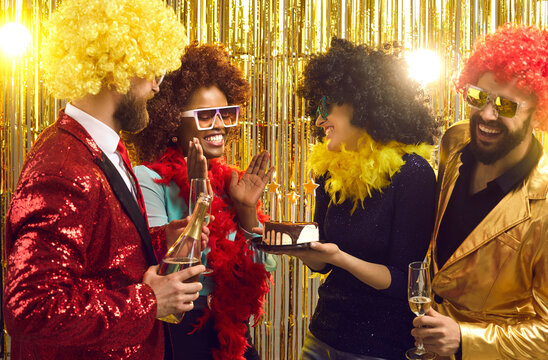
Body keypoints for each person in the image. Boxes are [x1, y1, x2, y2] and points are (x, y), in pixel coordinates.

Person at [3, 1, 207, 359]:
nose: (157, 87)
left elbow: (103, 257)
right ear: (117, 70)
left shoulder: (102, 147)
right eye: (152, 72)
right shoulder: (62, 168)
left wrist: (162, 239)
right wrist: (149, 302)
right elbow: (31, 309)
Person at [265, 38, 439, 359]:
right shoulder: (329, 170)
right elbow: (320, 260)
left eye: (324, 107)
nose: (318, 121)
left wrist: (340, 258)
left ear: (362, 104)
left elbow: (404, 281)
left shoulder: (413, 173)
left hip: (380, 347)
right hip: (322, 337)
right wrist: (299, 248)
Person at [123, 42, 276, 360]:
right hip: (178, 333)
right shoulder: (147, 180)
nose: (219, 124)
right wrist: (198, 197)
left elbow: (262, 272)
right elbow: (169, 269)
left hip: (230, 329)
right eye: (206, 116)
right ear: (171, 123)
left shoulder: (233, 183)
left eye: (226, 114)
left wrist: (247, 210)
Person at [411, 24, 548, 359]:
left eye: (505, 106)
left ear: (536, 113)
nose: (487, 114)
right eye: (478, 97)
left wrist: (465, 339)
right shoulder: (455, 142)